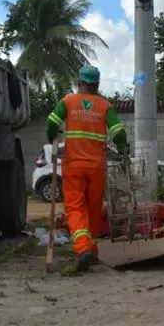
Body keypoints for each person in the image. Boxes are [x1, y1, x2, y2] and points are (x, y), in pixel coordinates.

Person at [45, 65, 128, 273]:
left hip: (74, 164)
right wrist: (121, 148)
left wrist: (51, 135)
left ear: (79, 82)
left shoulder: (68, 102)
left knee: (75, 207)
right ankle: (91, 248)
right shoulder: (104, 106)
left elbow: (52, 122)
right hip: (96, 166)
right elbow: (118, 132)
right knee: (92, 209)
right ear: (97, 84)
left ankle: (83, 249)